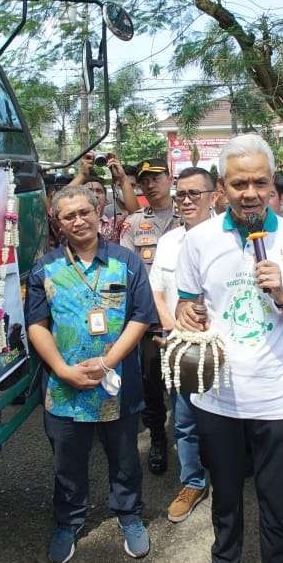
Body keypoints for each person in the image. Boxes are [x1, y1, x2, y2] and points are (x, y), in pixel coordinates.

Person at [174, 133, 283, 563]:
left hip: (275, 395)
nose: (250, 193)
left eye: (260, 182)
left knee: (274, 501)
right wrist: (188, 315)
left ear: (273, 184)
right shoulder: (198, 240)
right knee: (224, 495)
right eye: (240, 183)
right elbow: (185, 304)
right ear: (222, 186)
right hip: (215, 394)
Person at [24, 185, 160, 563]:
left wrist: (107, 362)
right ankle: (68, 521)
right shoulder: (45, 268)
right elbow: (37, 325)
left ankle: (129, 514)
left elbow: (141, 317)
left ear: (99, 211)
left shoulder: (126, 262)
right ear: (58, 222)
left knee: (124, 457)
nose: (79, 220)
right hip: (65, 389)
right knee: (67, 461)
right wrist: (63, 370)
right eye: (69, 216)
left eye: (85, 211)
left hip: (117, 384)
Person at [148, 167, 217, 522]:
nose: (187, 201)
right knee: (185, 420)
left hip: (223, 348)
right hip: (182, 347)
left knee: (226, 421)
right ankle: (192, 481)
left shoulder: (231, 238)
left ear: (214, 196)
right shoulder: (170, 241)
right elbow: (157, 290)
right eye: (181, 195)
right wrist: (177, 332)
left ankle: (227, 476)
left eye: (195, 193)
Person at [120, 157, 181, 475]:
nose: (151, 184)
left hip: (189, 319)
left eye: (157, 177)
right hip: (150, 322)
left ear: (170, 179)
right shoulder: (132, 224)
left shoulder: (192, 215)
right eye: (144, 180)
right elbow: (131, 275)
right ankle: (158, 438)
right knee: (152, 386)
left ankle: (200, 443)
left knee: (194, 381)